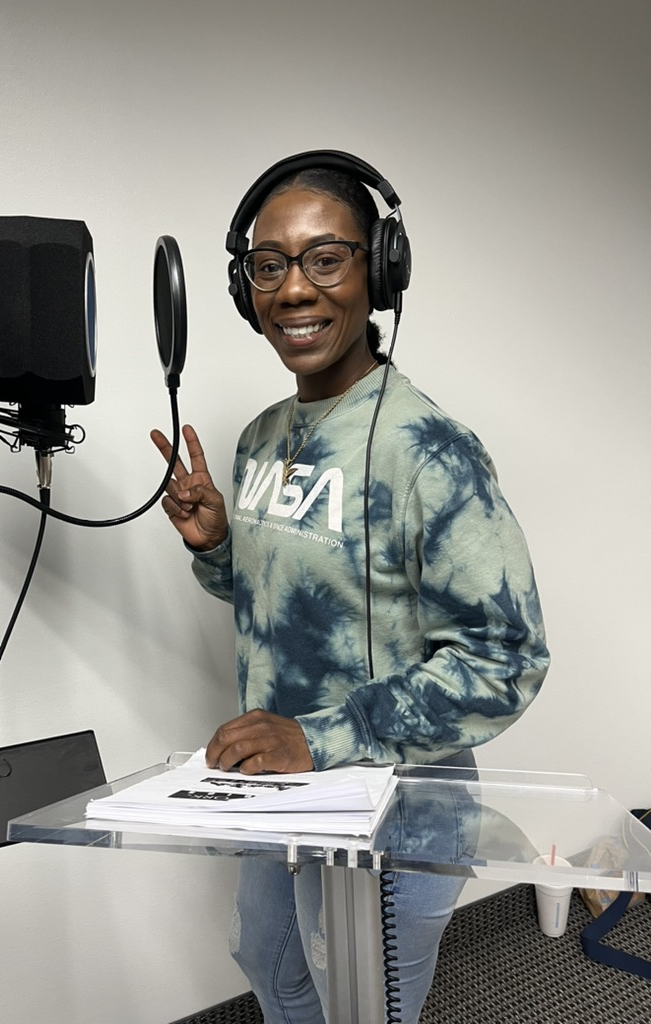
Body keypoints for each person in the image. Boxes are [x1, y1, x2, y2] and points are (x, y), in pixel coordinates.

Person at [151, 151, 549, 1024]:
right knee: (265, 959)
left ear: (381, 271)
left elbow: (505, 659)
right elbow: (294, 602)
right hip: (282, 783)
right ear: (246, 289)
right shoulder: (262, 438)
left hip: (394, 807)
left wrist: (320, 736)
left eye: (326, 259)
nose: (295, 288)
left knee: (359, 1002)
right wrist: (219, 547)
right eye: (269, 266)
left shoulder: (427, 449)